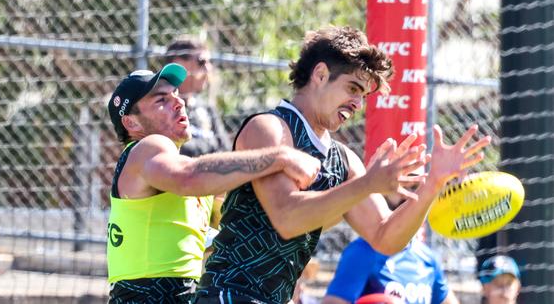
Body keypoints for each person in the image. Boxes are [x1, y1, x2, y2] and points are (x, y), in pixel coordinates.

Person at [195, 25, 490, 303]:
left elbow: (385, 237)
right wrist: (367, 184)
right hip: (227, 294)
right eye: (352, 88)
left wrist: (432, 184)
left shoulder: (343, 160)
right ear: (320, 74)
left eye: (363, 96)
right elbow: (287, 217)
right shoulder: (271, 128)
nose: (357, 104)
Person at [106, 63, 322, 303]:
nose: (179, 102)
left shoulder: (171, 175)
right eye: (161, 101)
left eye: (176, 95)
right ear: (131, 123)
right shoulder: (148, 147)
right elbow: (188, 178)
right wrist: (279, 157)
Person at [322, 176, 460, 304]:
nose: (411, 194)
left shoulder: (427, 258)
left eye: (417, 185)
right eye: (404, 182)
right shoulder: (362, 253)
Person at [164, 37, 231, 157]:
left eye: (209, 62)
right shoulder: (161, 108)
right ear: (179, 64)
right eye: (201, 62)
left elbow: (226, 150)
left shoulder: (207, 109)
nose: (208, 68)